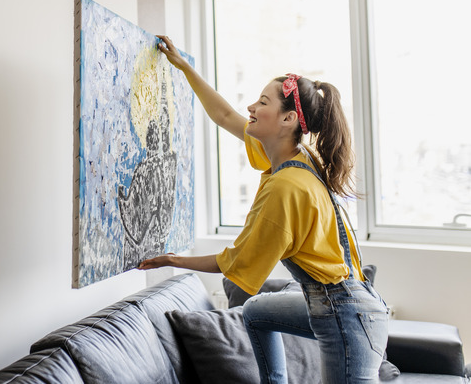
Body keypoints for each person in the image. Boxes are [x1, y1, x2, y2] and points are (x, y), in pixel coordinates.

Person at [139, 35, 388, 383]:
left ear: (287, 120)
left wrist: (172, 260)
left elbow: (236, 263)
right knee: (255, 311)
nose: (251, 108)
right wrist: (184, 67)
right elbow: (224, 115)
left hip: (347, 317)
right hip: (338, 301)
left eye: (262, 102)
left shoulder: (286, 187)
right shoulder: (295, 157)